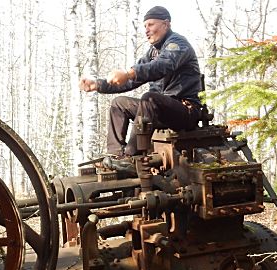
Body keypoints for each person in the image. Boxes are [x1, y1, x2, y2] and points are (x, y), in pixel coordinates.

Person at [79, 6, 202, 157]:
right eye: (145, 26)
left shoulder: (177, 44)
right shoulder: (153, 52)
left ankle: (131, 156)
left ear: (166, 24)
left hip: (185, 110)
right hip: (159, 109)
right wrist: (98, 85)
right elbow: (132, 81)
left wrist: (129, 72)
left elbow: (162, 65)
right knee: (119, 103)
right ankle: (116, 155)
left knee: (149, 98)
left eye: (151, 24)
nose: (146, 30)